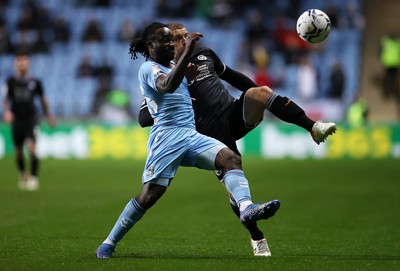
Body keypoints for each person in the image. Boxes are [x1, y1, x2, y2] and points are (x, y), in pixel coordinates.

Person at [138, 22, 337, 256]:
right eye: (179, 38)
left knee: (260, 92)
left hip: (233, 114)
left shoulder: (205, 55)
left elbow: (234, 78)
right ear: (169, 44)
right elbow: (143, 116)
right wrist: (172, 105)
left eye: (185, 36)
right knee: (238, 194)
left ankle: (313, 128)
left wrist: (265, 99)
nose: (185, 41)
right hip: (210, 137)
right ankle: (256, 236)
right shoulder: (165, 74)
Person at [95, 22, 280, 259]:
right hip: (166, 139)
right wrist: (189, 50)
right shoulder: (149, 69)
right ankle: (109, 243)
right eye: (164, 40)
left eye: (171, 40)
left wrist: (187, 74)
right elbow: (166, 85)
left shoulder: (174, 67)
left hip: (191, 135)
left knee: (230, 159)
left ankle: (247, 208)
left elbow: (178, 81)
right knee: (149, 196)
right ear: (151, 45)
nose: (171, 44)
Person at [2, 51, 56, 190]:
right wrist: (7, 112)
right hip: (17, 121)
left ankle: (34, 177)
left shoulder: (36, 82)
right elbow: (6, 101)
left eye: (25, 61)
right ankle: (23, 173)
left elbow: (43, 100)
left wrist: (49, 115)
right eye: (20, 61)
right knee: (18, 152)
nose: (22, 64)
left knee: (32, 147)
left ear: (29, 63)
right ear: (16, 64)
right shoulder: (10, 82)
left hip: (31, 119)